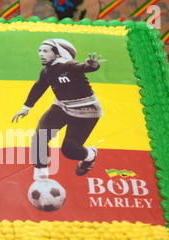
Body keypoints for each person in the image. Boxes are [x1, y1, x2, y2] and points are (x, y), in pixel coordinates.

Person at [11, 39, 105, 180]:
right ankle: (41, 174)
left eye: (45, 51)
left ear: (58, 54)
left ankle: (90, 155)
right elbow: (39, 87)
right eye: (39, 51)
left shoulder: (68, 65)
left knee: (69, 150)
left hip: (86, 110)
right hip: (62, 106)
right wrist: (26, 107)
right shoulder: (46, 71)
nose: (41, 54)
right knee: (39, 137)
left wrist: (92, 66)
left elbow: (82, 67)